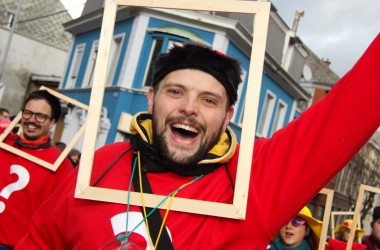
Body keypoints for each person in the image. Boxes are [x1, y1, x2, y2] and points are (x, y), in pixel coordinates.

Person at [17, 35, 380, 249]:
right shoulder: (104, 161)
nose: (189, 108)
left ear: (227, 117)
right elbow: (40, 240)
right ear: (150, 98)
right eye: (175, 92)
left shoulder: (254, 179)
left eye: (209, 100)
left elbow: (357, 101)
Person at [0, 90, 73, 248]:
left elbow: (59, 217)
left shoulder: (60, 165)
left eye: (40, 116)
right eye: (27, 113)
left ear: (52, 122)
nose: (31, 120)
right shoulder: (3, 141)